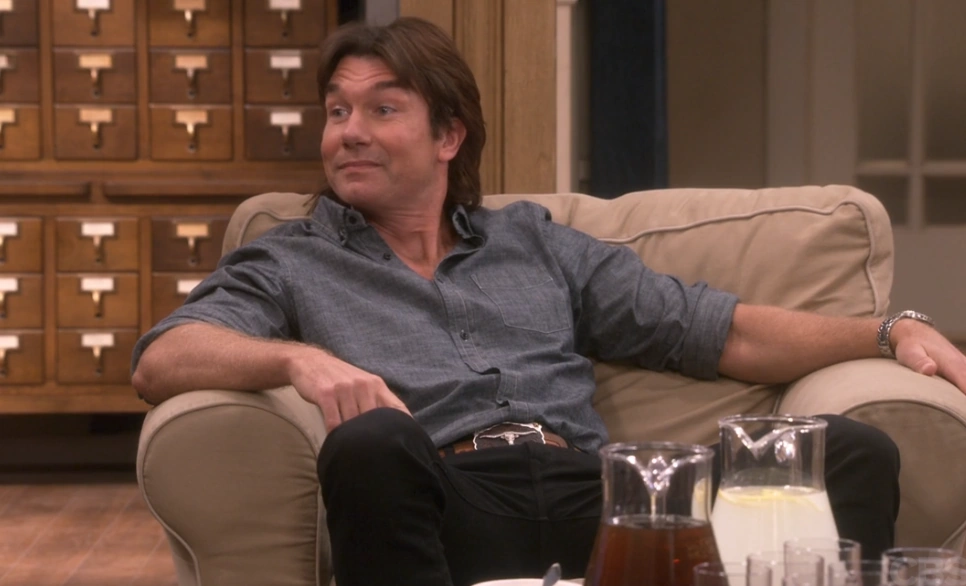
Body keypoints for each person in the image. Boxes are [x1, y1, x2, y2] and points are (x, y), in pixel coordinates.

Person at [131, 17, 966, 586]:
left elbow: (720, 333)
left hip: (602, 498)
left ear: (448, 136)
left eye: (382, 109)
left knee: (850, 451)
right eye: (337, 111)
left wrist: (888, 331)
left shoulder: (532, 242)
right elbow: (161, 358)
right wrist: (298, 360)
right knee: (370, 445)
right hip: (444, 494)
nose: (348, 131)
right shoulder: (291, 255)